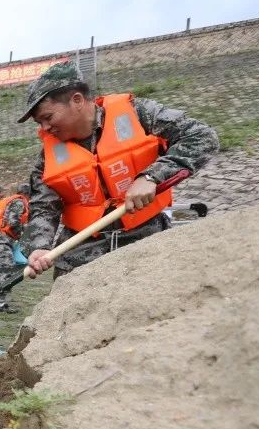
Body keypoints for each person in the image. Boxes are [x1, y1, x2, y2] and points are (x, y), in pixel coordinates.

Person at [18, 61, 219, 277]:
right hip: (81, 255)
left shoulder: (138, 113)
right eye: (40, 123)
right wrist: (39, 245)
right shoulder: (48, 154)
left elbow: (202, 137)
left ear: (76, 100)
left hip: (146, 239)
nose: (45, 128)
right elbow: (42, 205)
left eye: (47, 117)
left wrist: (152, 177)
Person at [0, 182, 29, 313]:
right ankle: (0, 303)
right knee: (7, 272)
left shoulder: (0, 204)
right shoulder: (19, 202)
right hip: (1, 242)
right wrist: (22, 234)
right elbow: (14, 222)